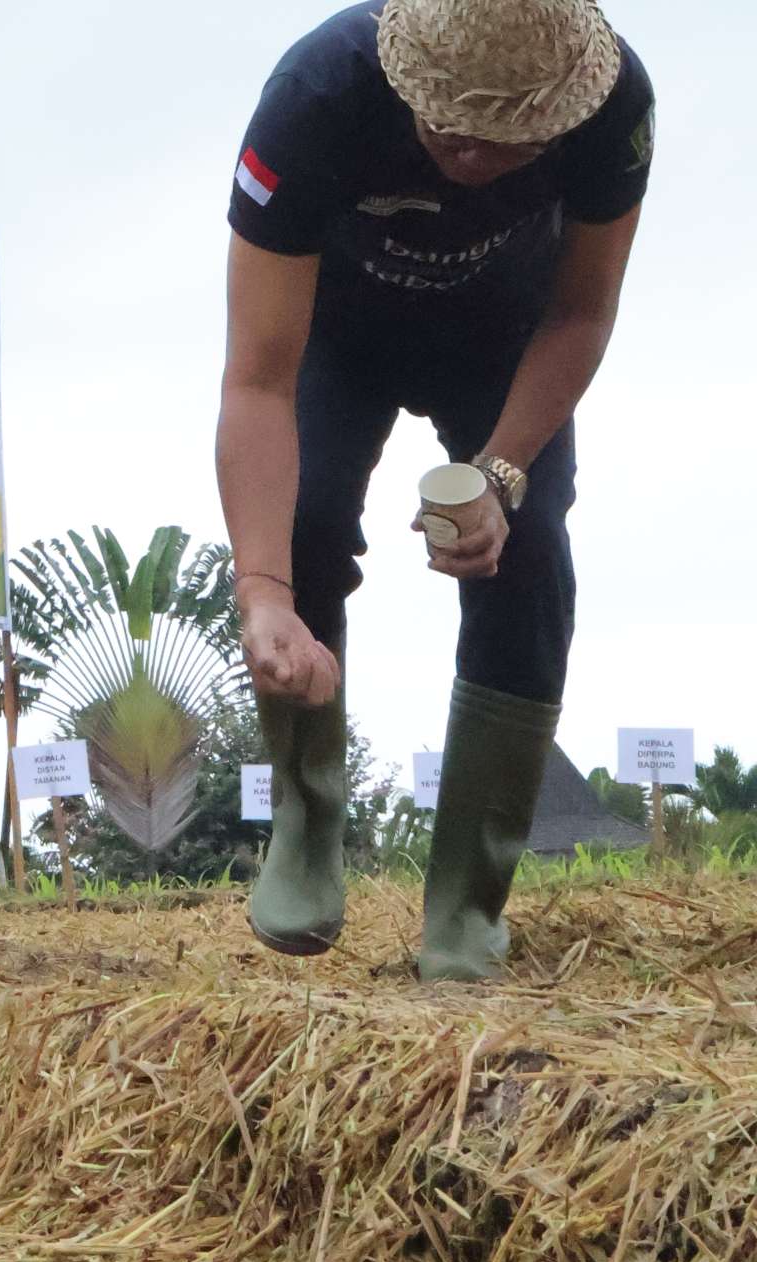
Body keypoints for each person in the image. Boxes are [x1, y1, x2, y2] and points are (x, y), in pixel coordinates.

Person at [215, 0, 653, 980]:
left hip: (504, 334)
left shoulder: (611, 104)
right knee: (306, 519)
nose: (463, 159)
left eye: (499, 146)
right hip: (332, 333)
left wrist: (500, 472)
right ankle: (305, 813)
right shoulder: (314, 96)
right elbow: (255, 379)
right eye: (444, 129)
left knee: (529, 553)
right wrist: (262, 592)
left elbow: (581, 312)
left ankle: (463, 909)